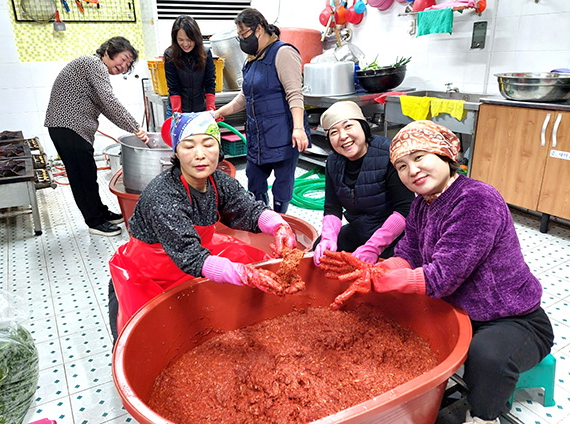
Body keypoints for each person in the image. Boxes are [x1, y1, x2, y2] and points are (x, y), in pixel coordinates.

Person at [320, 120, 554, 424]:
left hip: (511, 317)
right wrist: (374, 269)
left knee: (488, 357)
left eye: (419, 158)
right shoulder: (421, 205)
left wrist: (379, 280)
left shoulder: (476, 199)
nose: (412, 171)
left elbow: (442, 275)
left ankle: (483, 416)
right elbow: (408, 255)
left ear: (445, 155)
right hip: (461, 310)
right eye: (402, 166)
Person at [108, 112, 298, 338]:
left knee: (248, 262)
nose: (200, 155)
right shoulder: (163, 195)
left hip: (196, 256)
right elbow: (190, 256)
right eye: (188, 146)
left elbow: (247, 208)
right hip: (150, 273)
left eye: (208, 144)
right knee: (151, 336)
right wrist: (242, 274)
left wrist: (278, 226)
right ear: (176, 152)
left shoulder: (218, 182)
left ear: (219, 148)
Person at [44, 36, 148, 236]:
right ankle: (94, 222)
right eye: (123, 59)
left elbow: (107, 107)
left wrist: (132, 128)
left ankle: (100, 213)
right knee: (82, 176)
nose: (124, 66)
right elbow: (109, 101)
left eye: (128, 64)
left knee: (88, 173)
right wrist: (135, 127)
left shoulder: (94, 68)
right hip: (67, 127)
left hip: (71, 128)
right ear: (109, 50)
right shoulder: (93, 64)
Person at [214, 8, 310, 214]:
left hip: (283, 134)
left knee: (282, 186)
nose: (242, 41)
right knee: (254, 181)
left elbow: (295, 94)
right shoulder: (252, 59)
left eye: (244, 35)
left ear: (258, 29)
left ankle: (281, 220)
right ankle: (260, 218)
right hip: (258, 136)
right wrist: (218, 112)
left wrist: (299, 128)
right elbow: (244, 97)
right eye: (239, 36)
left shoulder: (283, 52)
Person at [313, 101, 415, 266]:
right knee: (320, 251)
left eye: (348, 126)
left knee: (386, 272)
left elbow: (405, 210)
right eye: (334, 132)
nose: (343, 136)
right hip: (359, 229)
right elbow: (332, 208)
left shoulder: (389, 154)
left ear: (363, 126)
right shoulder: (333, 160)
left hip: (395, 236)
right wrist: (328, 238)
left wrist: (373, 247)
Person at [163, 15, 216, 118]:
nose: (185, 44)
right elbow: (174, 87)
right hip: (177, 109)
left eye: (189, 39)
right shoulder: (170, 56)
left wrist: (211, 110)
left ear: (196, 38)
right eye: (181, 40)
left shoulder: (205, 53)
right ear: (175, 39)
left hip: (200, 110)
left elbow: (210, 83)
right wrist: (177, 113)